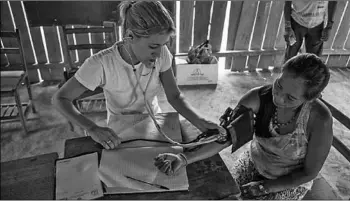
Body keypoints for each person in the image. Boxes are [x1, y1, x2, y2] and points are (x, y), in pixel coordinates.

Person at [154, 53, 334, 200]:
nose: (278, 97)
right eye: (278, 85)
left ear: (310, 99)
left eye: (290, 98)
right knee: (226, 195)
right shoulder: (256, 99)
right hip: (255, 162)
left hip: (289, 180)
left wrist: (266, 187)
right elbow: (225, 138)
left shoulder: (319, 120)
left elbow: (309, 173)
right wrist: (183, 159)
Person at [52, 1, 224, 150]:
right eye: (153, 46)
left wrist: (201, 122)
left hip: (154, 120)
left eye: (163, 45)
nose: (158, 53)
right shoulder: (101, 63)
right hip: (119, 126)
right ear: (130, 36)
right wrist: (92, 128)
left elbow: (175, 96)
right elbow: (60, 99)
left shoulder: (162, 53)